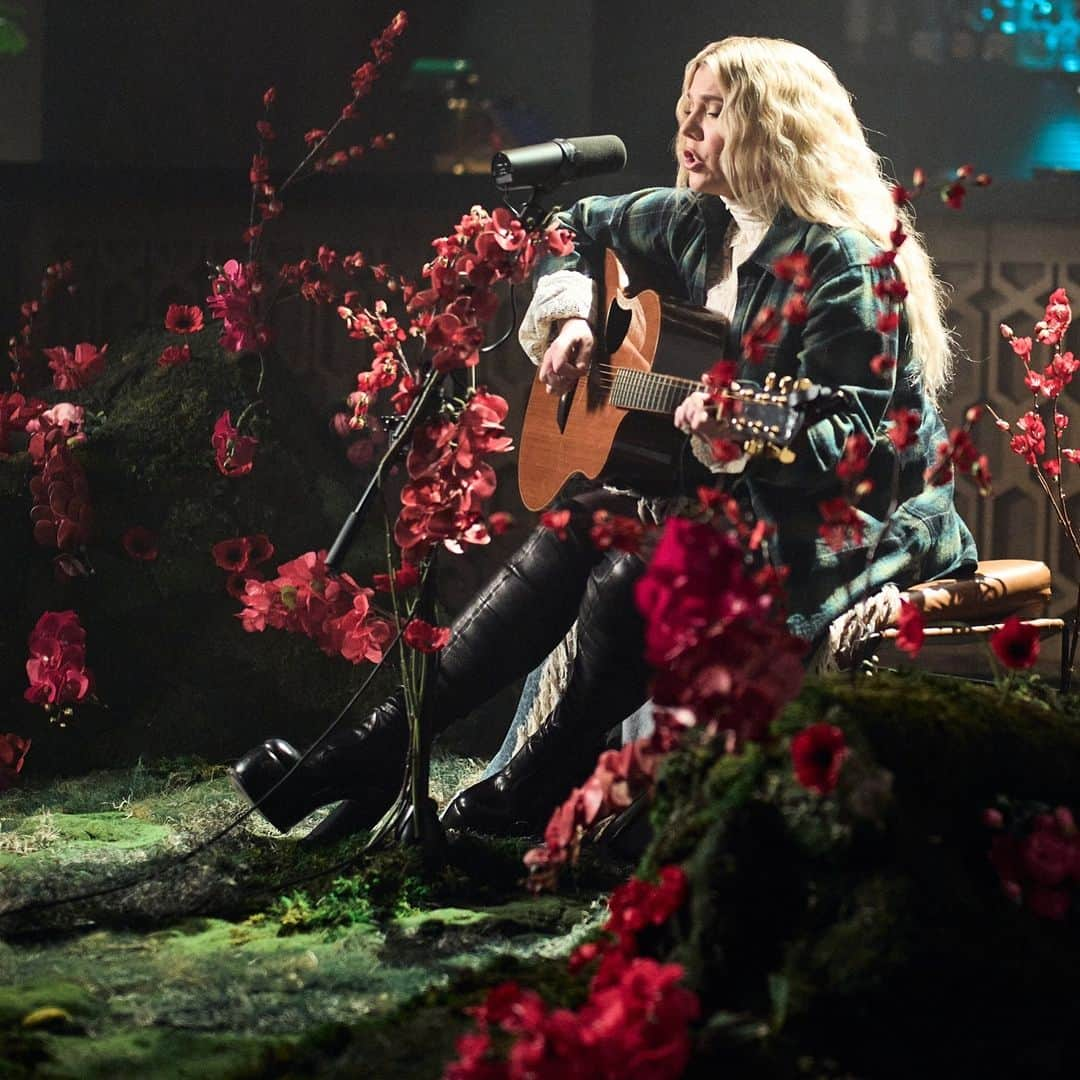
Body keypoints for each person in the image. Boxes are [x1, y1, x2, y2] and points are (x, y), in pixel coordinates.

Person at [231, 36, 977, 843]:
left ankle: (533, 785)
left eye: (713, 113)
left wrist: (747, 435)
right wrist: (576, 314)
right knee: (569, 531)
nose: (687, 129)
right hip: (726, 501)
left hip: (845, 525)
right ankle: (376, 749)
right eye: (684, 110)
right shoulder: (700, 224)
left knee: (630, 572)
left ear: (774, 127)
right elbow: (571, 227)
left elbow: (862, 450)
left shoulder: (845, 262)